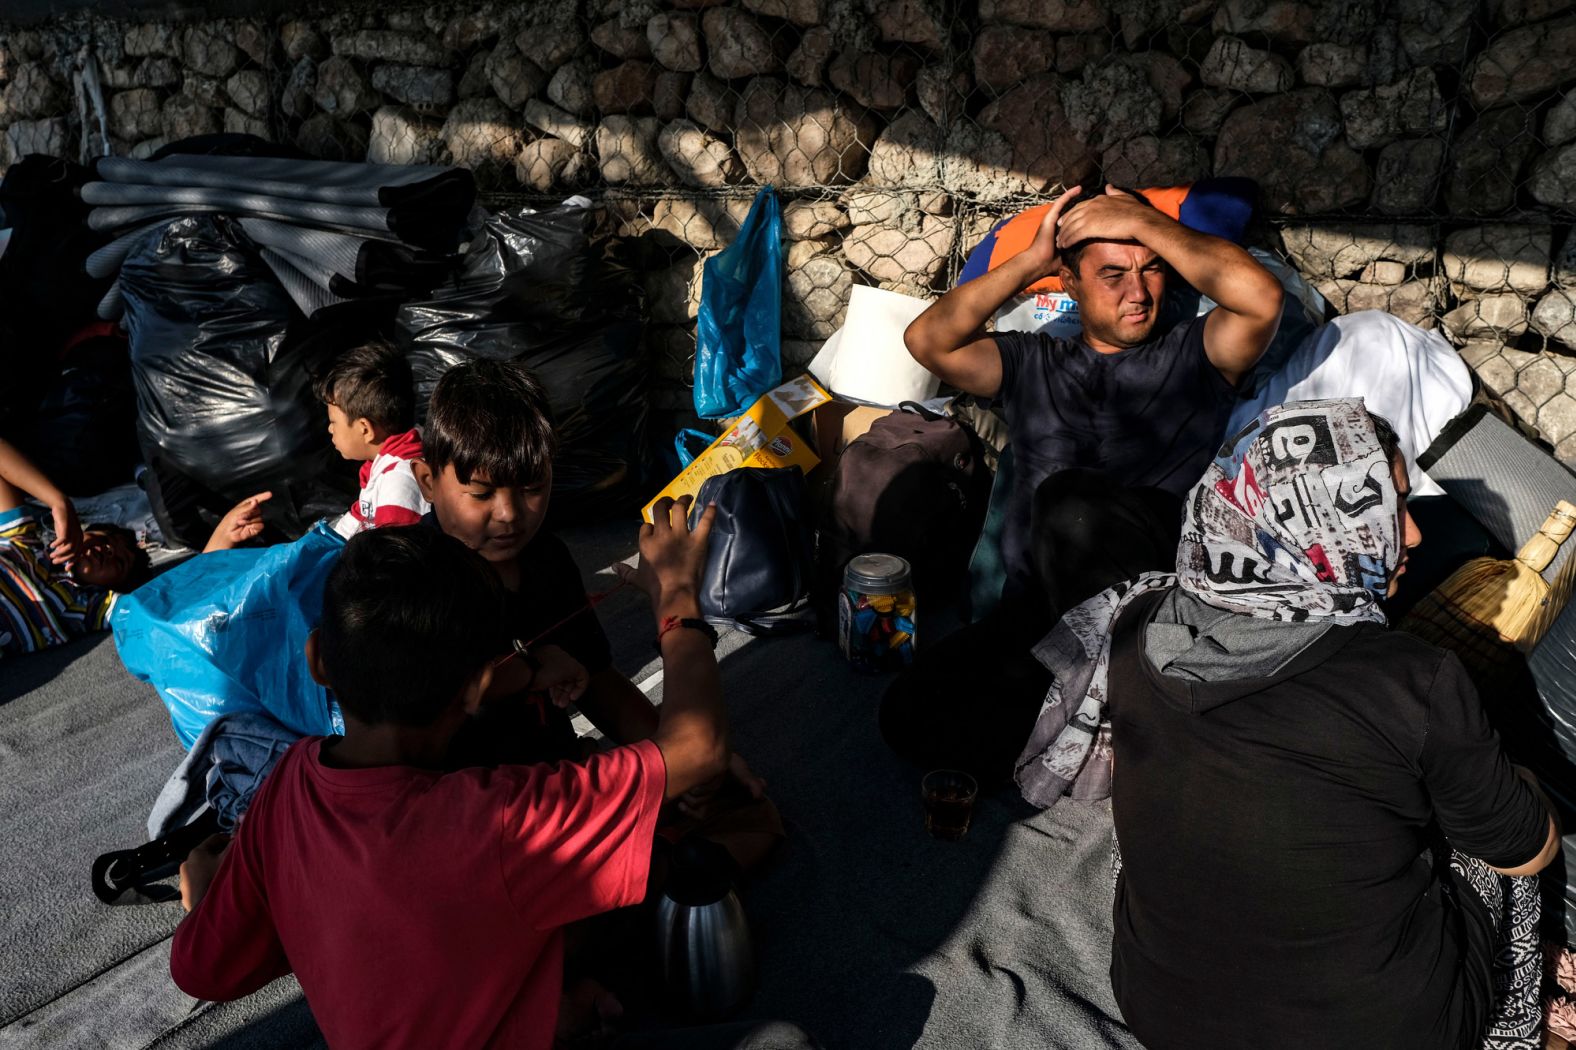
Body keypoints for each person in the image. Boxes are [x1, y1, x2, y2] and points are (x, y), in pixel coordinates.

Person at [1023, 399, 1559, 1049]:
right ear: (1315, 524)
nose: (1413, 534)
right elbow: (1528, 849)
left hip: (1165, 1016)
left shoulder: (1137, 625)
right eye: (1387, 505)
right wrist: (1511, 784)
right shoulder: (1413, 678)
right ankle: (1512, 1030)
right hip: (1389, 1034)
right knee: (1498, 822)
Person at [170, 517, 818, 1050]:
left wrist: (208, 878)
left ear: (317, 660)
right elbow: (698, 750)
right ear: (479, 687)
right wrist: (678, 602)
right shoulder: (499, 818)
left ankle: (554, 1013)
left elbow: (201, 967)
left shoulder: (286, 790)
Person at [881, 183, 1287, 784]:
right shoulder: (1031, 362)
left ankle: (1122, 704)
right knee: (906, 715)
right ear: (1070, 283)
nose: (1138, 291)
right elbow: (926, 341)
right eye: (1113, 274)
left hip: (1140, 611)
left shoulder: (1194, 355)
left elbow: (1260, 298)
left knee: (1070, 504)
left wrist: (1144, 223)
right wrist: (1029, 262)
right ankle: (1089, 727)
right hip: (1037, 616)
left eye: (1150, 270)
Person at [410, 360, 782, 871]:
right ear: (427, 480)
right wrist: (533, 668)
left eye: (531, 487)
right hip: (470, 812)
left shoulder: (547, 560)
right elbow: (414, 701)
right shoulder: (408, 580)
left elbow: (598, 682)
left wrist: (676, 759)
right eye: (481, 493)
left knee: (750, 816)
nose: (510, 514)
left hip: (557, 774)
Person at [0, 436, 149, 656]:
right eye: (104, 540)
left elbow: (153, 607)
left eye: (118, 562)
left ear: (113, 587)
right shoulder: (21, 542)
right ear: (82, 531)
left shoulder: (88, 608)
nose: (105, 551)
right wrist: (58, 502)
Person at [313, 340, 428, 537]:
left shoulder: (399, 485)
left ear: (365, 429)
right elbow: (352, 523)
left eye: (334, 422)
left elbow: (395, 557)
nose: (330, 429)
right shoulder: (385, 461)